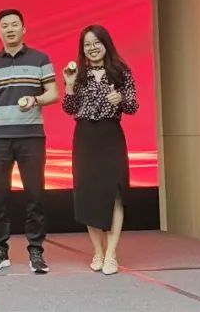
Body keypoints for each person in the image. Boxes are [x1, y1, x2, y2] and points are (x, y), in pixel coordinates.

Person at [0, 9, 59, 274]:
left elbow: (53, 93)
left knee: (35, 194)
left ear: (24, 29)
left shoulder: (40, 59)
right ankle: (0, 249)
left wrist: (35, 99)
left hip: (31, 136)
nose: (10, 29)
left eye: (15, 25)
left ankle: (36, 250)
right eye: (5, 26)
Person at [62, 25, 138, 276]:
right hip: (85, 136)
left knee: (115, 193)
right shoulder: (77, 73)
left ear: (106, 44)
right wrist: (70, 85)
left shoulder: (120, 71)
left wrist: (121, 100)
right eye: (87, 44)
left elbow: (133, 106)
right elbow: (69, 108)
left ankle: (112, 254)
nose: (92, 48)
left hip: (110, 135)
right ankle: (98, 251)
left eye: (96, 43)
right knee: (88, 194)